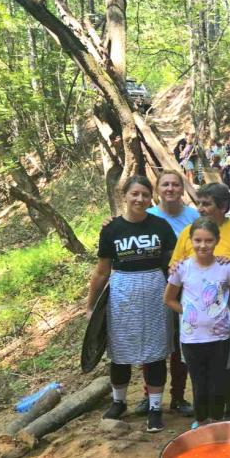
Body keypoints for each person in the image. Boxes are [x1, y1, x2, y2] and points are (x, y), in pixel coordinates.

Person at [86, 175, 177, 433]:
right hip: (122, 293)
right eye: (135, 194)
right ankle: (119, 402)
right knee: (120, 351)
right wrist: (91, 306)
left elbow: (173, 265)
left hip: (155, 292)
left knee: (157, 351)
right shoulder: (112, 229)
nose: (140, 199)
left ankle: (156, 408)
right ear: (124, 195)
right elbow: (102, 271)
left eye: (145, 195)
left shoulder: (160, 226)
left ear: (151, 199)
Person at [170, 183, 230, 421]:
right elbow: (176, 269)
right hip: (198, 316)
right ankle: (209, 417)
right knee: (203, 366)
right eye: (199, 203)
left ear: (223, 207)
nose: (200, 208)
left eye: (207, 204)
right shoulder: (189, 233)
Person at [164, 217, 230, 428]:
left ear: (217, 241)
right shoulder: (182, 268)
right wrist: (188, 313)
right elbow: (169, 299)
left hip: (219, 338)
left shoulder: (225, 268)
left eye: (208, 240)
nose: (203, 245)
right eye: (198, 240)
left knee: (217, 383)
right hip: (191, 338)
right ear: (190, 241)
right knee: (199, 383)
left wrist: (227, 318)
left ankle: (217, 421)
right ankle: (201, 421)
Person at [128, 170, 200, 416]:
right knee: (154, 344)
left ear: (182, 189)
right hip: (152, 288)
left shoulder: (193, 217)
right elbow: (125, 229)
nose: (170, 189)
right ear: (158, 190)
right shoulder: (146, 217)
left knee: (182, 343)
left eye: (175, 185)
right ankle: (150, 396)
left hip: (187, 289)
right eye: (165, 184)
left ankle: (178, 397)